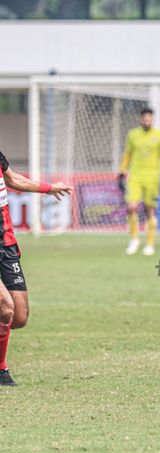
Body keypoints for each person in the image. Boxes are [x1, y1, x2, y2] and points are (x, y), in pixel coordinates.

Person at [0, 151, 72, 386]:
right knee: (5, 308)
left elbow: (13, 180)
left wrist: (49, 188)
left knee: (18, 317)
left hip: (6, 243)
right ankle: (1, 370)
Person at [118, 108, 160, 256]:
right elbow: (127, 155)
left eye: (149, 118)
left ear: (152, 119)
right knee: (131, 206)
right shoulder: (133, 135)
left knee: (149, 210)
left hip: (153, 178)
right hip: (135, 176)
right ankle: (134, 239)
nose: (147, 120)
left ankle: (150, 243)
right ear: (141, 119)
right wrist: (121, 173)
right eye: (144, 118)